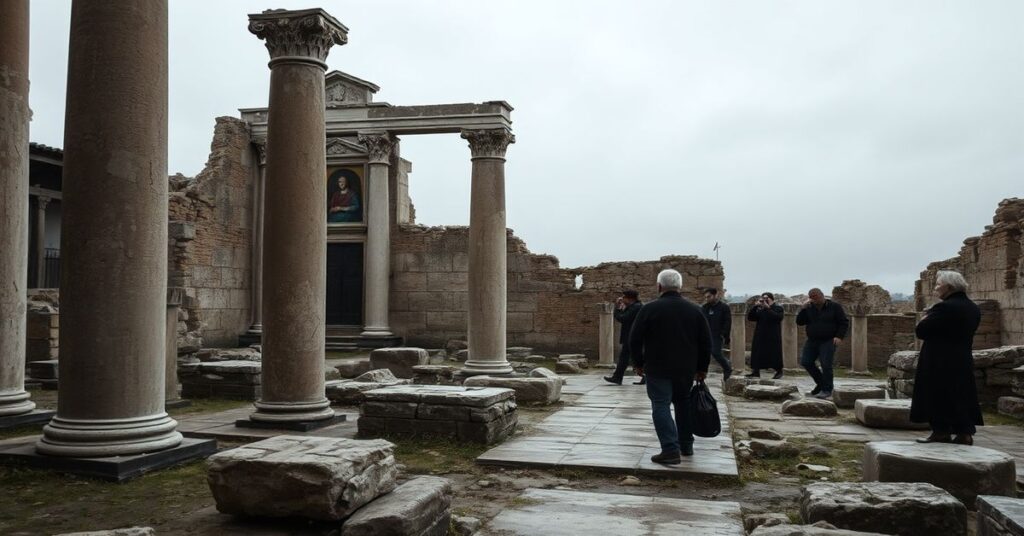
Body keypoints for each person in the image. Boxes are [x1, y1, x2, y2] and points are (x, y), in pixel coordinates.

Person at [630, 269, 711, 464]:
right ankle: (686, 445)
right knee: (683, 403)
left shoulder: (650, 309)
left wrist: (639, 364)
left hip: (657, 368)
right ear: (680, 287)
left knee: (660, 404)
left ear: (659, 287)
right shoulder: (695, 310)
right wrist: (702, 368)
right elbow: (706, 342)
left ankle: (670, 448)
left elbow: (634, 339)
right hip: (686, 369)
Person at [911, 270, 982, 445]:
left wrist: (925, 318)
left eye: (938, 285)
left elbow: (921, 330)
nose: (936, 288)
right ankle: (964, 433)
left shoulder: (944, 307)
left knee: (937, 394)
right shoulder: (972, 307)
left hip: (939, 359)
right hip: (962, 357)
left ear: (949, 287)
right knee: (960, 395)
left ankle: (941, 431)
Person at [796, 288, 849, 399]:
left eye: (816, 296)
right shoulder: (809, 308)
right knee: (806, 362)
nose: (814, 299)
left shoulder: (834, 307)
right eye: (811, 297)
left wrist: (839, 336)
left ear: (822, 295)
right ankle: (821, 384)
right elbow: (799, 322)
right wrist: (803, 308)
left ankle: (827, 389)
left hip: (828, 340)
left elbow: (843, 322)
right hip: (812, 340)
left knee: (826, 364)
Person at [604, 289, 643, 386]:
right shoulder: (634, 306)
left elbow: (623, 318)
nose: (622, 299)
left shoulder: (635, 307)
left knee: (624, 357)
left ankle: (617, 377)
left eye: (624, 297)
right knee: (628, 357)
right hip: (631, 336)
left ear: (629, 298)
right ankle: (619, 377)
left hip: (632, 336)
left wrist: (617, 309)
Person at [746, 292, 784, 379]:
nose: (765, 300)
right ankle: (755, 372)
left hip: (773, 335)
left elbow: (778, 318)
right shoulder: (761, 309)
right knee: (757, 353)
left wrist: (768, 308)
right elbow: (751, 317)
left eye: (767, 298)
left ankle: (779, 371)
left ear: (772, 299)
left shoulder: (778, 308)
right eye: (763, 298)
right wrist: (755, 306)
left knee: (774, 353)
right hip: (760, 334)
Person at [701, 288, 733, 382]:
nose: (707, 299)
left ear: (715, 295)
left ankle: (727, 368)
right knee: (703, 354)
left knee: (716, 352)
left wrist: (724, 334)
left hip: (717, 335)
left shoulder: (724, 307)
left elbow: (727, 321)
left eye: (709, 297)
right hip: (706, 334)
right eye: (706, 297)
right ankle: (702, 373)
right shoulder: (705, 307)